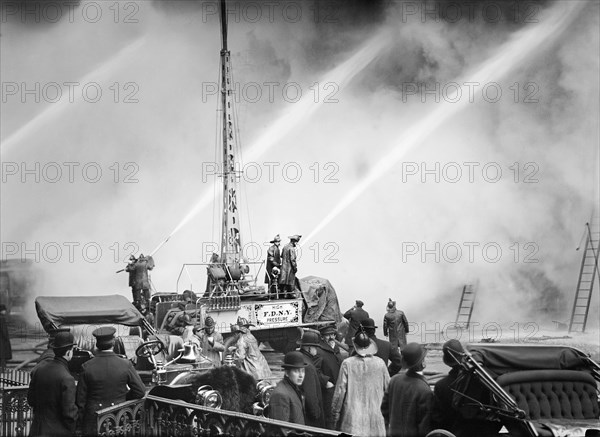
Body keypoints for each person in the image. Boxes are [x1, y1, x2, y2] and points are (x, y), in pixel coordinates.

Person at [76, 326, 146, 436]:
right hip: (118, 418)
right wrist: (123, 398)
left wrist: (79, 427)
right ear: (113, 343)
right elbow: (140, 391)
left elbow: (80, 401)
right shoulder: (125, 364)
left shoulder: (86, 366)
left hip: (93, 420)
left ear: (97, 345)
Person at [431, 340, 500, 437]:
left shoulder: (440, 386)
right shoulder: (485, 381)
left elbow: (438, 419)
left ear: (447, 362)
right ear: (464, 356)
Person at [331, 330, 390, 436]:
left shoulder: (347, 364)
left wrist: (335, 414)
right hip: (376, 417)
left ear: (355, 346)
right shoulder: (380, 363)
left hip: (353, 418)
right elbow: (389, 391)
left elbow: (340, 392)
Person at [28, 330, 77, 436]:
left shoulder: (39, 371)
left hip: (36, 429)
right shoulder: (67, 378)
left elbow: (31, 400)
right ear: (69, 352)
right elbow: (69, 414)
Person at [381, 342, 433, 437]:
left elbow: (384, 409)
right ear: (422, 362)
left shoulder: (394, 380)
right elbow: (424, 425)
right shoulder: (424, 389)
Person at [296, 330, 331, 428]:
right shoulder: (308, 366)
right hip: (311, 417)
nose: (316, 350)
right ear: (309, 348)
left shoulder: (300, 358)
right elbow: (310, 393)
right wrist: (316, 414)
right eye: (315, 347)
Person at [268, 351, 307, 425]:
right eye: (296, 371)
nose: (301, 375)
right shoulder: (280, 394)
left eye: (302, 371)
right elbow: (280, 429)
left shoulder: (293, 387)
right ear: (286, 373)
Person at [316, 325, 343, 429]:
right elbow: (316, 370)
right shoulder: (319, 351)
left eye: (332, 334)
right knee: (330, 417)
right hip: (328, 391)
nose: (331, 337)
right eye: (328, 335)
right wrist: (326, 382)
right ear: (322, 337)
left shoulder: (336, 348)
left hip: (339, 388)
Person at [0, 304, 12, 369]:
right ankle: (3, 369)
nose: (5, 311)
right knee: (2, 355)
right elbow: (4, 330)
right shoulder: (2, 319)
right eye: (4, 310)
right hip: (2, 340)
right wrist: (7, 338)